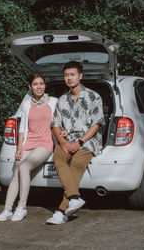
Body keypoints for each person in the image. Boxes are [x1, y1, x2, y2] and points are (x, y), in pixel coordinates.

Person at [46, 61, 104, 225]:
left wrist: (79, 142)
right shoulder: (62, 99)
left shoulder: (93, 96)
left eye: (72, 74)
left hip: (88, 140)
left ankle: (62, 211)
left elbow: (96, 124)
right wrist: (62, 141)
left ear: (80, 76)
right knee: (58, 158)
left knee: (76, 165)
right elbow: (55, 124)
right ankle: (74, 198)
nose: (69, 78)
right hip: (67, 139)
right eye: (66, 75)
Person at [0, 73, 58, 222]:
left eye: (42, 83)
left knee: (24, 167)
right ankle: (7, 210)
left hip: (45, 143)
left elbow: (58, 124)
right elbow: (22, 129)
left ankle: (22, 208)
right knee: (16, 170)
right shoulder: (26, 105)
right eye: (36, 84)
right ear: (30, 87)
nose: (39, 87)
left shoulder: (54, 102)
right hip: (28, 143)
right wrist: (19, 148)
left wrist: (59, 144)